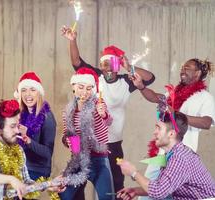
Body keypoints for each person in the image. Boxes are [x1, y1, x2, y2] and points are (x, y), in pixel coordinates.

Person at [61, 26, 155, 198]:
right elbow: (76, 62)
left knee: (115, 186)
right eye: (104, 65)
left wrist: (129, 66)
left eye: (112, 64)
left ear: (118, 66)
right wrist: (72, 40)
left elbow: (150, 78)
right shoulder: (96, 78)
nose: (108, 69)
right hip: (85, 144)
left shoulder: (126, 81)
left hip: (112, 146)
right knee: (74, 188)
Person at [131, 58, 215, 200]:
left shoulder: (205, 97)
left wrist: (177, 116)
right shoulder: (174, 93)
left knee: (164, 193)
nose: (182, 69)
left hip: (181, 155)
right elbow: (155, 98)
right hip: (162, 153)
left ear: (198, 73)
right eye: (182, 67)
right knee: (147, 194)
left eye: (187, 68)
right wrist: (141, 86)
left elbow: (207, 122)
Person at [0, 99, 63, 200]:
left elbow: (25, 184)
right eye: (12, 126)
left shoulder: (19, 151)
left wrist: (48, 185)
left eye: (18, 126)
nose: (17, 131)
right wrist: (11, 179)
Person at [117, 111, 215, 200]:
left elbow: (159, 191)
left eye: (158, 128)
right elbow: (164, 186)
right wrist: (136, 191)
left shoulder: (179, 158)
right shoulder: (172, 154)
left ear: (171, 134)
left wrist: (133, 172)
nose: (154, 132)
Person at [60, 67, 114, 200]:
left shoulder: (98, 104)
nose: (84, 92)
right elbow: (67, 135)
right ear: (74, 86)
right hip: (78, 160)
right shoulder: (68, 112)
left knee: (107, 197)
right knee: (64, 195)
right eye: (81, 87)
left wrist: (103, 114)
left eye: (89, 88)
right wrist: (70, 142)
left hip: (99, 159)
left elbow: (108, 122)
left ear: (93, 90)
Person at [14, 71, 57, 181]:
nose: (28, 94)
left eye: (32, 90)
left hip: (38, 170)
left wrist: (27, 139)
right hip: (22, 166)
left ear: (39, 93)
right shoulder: (21, 114)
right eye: (24, 90)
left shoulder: (47, 117)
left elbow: (48, 153)